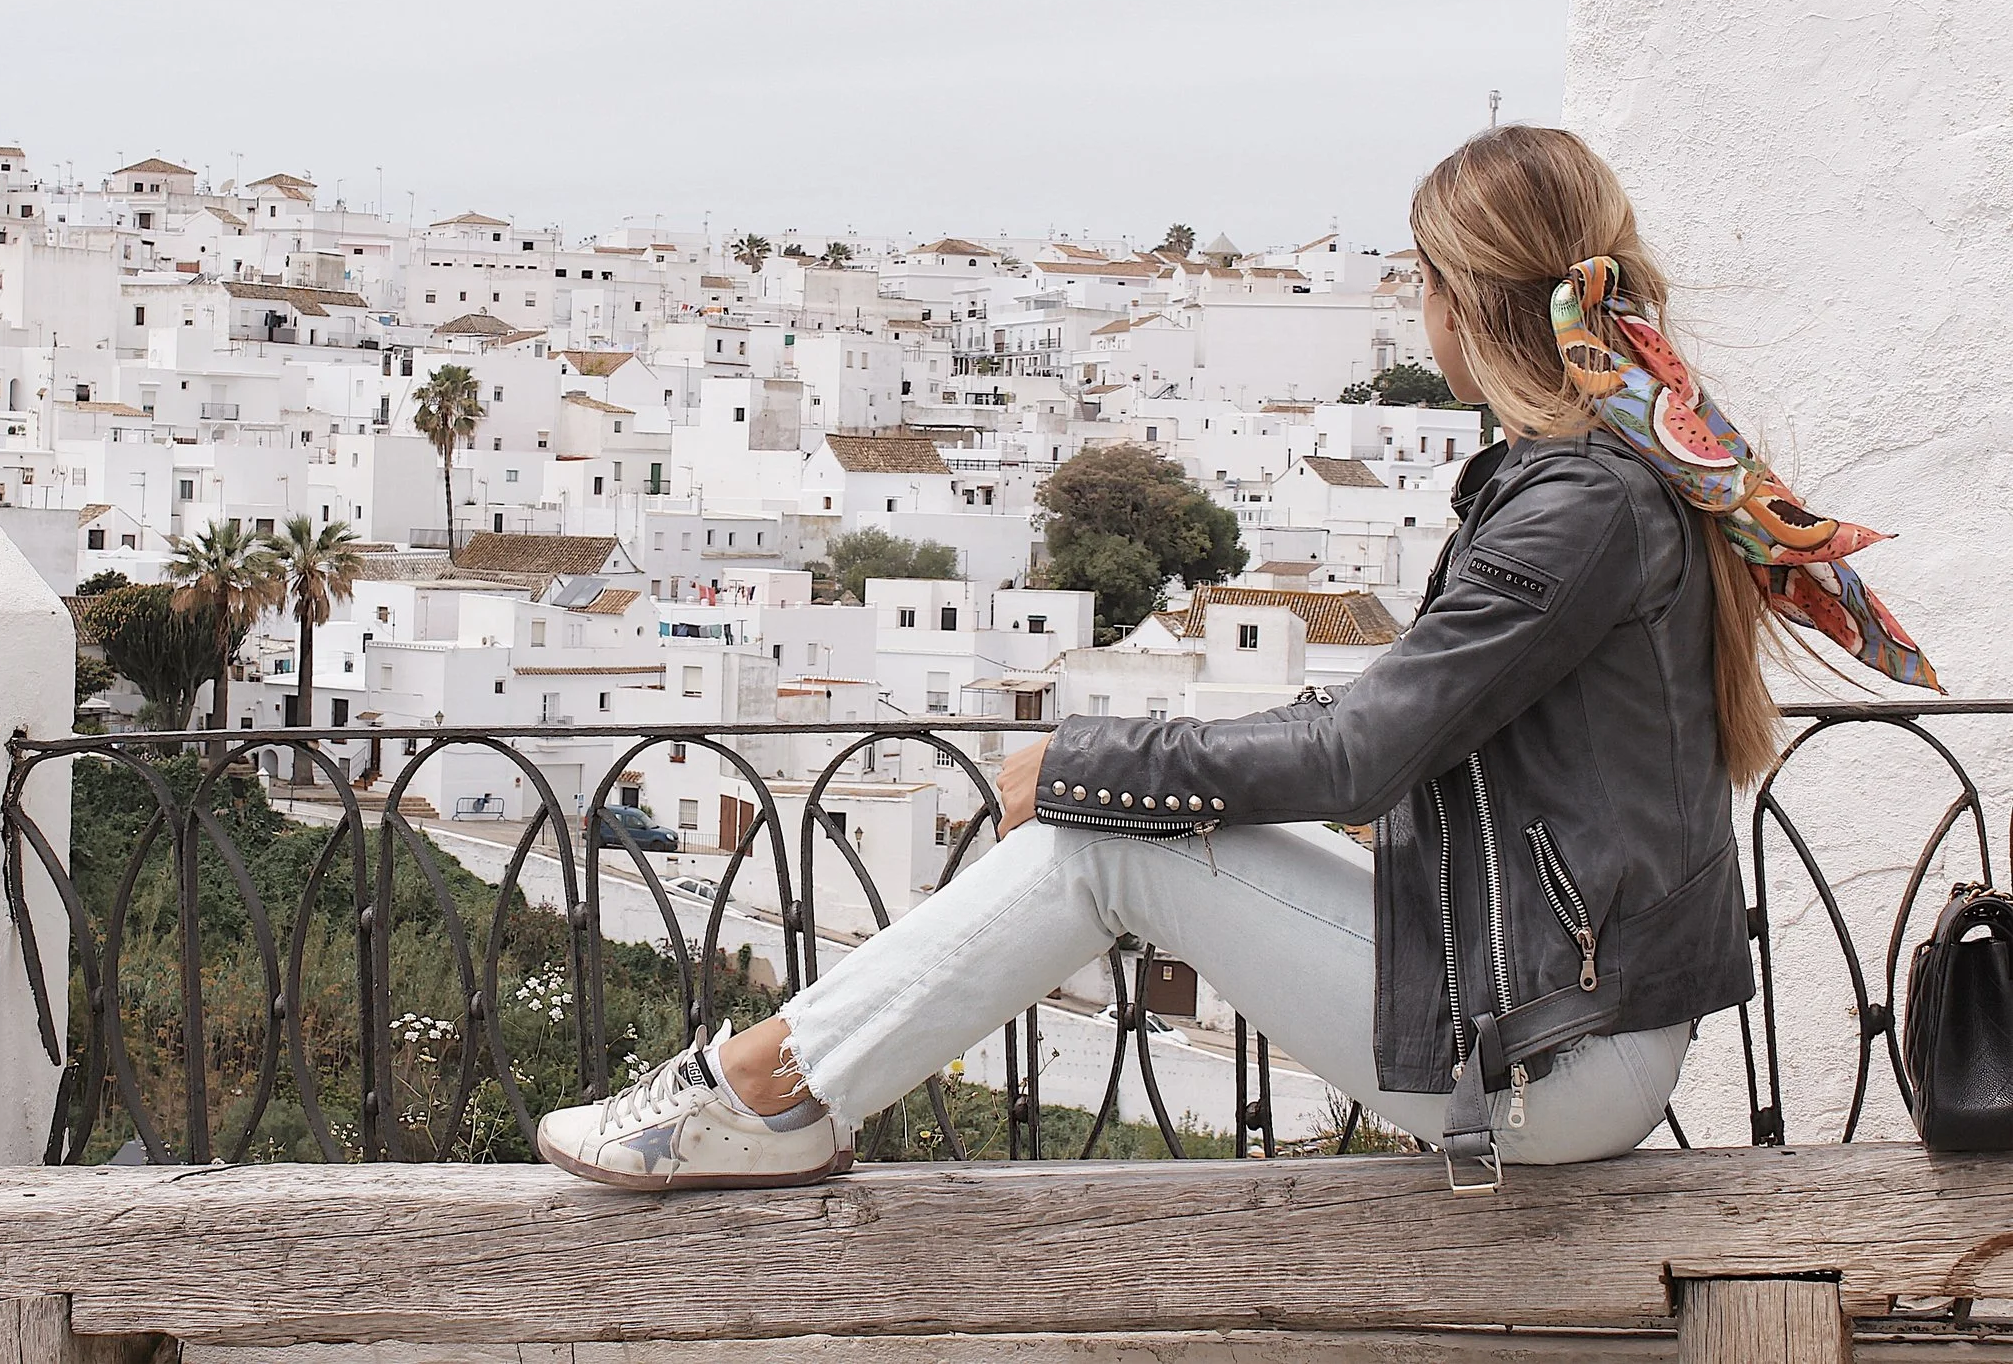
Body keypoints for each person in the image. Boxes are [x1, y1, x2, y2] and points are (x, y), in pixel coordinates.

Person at [535, 125, 1940, 1192]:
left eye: (1421, 282)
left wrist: (1080, 758)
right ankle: (773, 1085)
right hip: (1563, 1007)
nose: (1417, 314)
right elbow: (1391, 729)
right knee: (1113, 831)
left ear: (1466, 302)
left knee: (1105, 840)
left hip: (1558, 1054)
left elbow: (1362, 750)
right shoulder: (1608, 473)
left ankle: (768, 1090)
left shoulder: (1577, 504)